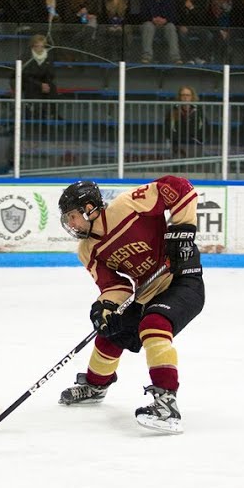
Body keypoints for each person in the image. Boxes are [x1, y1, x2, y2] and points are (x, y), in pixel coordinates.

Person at [55, 176, 205, 435]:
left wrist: (181, 233)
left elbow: (181, 188)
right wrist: (104, 307)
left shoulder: (128, 205)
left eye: (73, 216)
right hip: (147, 292)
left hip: (183, 279)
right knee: (111, 331)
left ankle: (167, 402)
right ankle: (95, 385)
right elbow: (115, 286)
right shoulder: (87, 249)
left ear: (89, 208)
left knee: (154, 325)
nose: (70, 223)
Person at [139, 0, 180, 64]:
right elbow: (142, 15)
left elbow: (174, 16)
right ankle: (147, 56)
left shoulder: (170, 0)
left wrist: (165, 20)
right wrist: (152, 19)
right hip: (150, 26)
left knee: (171, 26)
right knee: (148, 25)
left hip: (165, 27)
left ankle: (175, 57)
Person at [15, 33, 57, 116]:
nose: (40, 48)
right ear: (32, 46)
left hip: (45, 83)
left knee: (52, 88)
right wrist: (40, 85)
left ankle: (52, 113)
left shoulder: (49, 57)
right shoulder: (25, 57)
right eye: (37, 46)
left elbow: (51, 73)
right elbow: (25, 75)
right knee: (32, 89)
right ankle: (34, 114)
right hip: (30, 83)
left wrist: (46, 84)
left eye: (42, 46)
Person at [165, 86, 205, 158]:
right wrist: (175, 139)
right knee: (177, 165)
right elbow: (168, 126)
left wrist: (198, 138)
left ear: (192, 96)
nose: (185, 97)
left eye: (187, 95)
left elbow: (203, 125)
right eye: (183, 95)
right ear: (179, 97)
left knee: (194, 166)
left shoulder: (198, 109)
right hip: (178, 143)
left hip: (195, 143)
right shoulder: (174, 109)